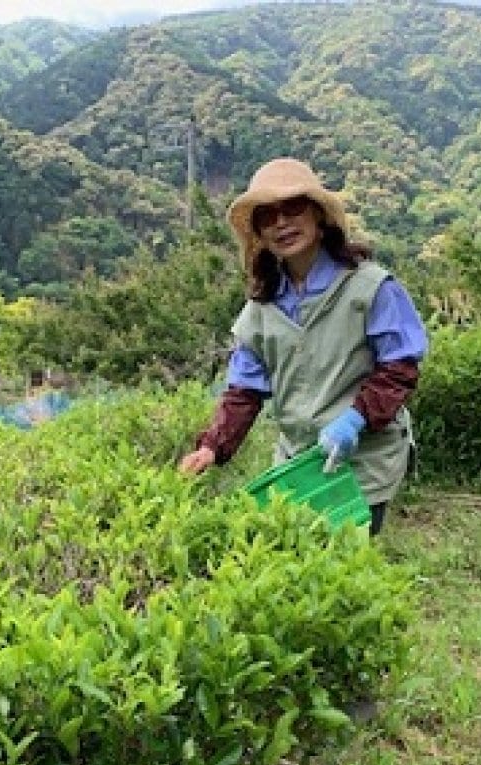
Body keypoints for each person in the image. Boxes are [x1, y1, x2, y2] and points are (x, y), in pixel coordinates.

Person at [179, 158, 427, 535]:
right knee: (298, 557)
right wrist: (212, 447)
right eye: (268, 215)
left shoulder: (370, 288)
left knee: (348, 556)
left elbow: (400, 367)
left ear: (318, 215)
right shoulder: (261, 309)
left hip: (365, 460)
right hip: (298, 461)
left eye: (293, 207)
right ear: (259, 233)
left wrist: (355, 420)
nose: (282, 223)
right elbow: (244, 391)